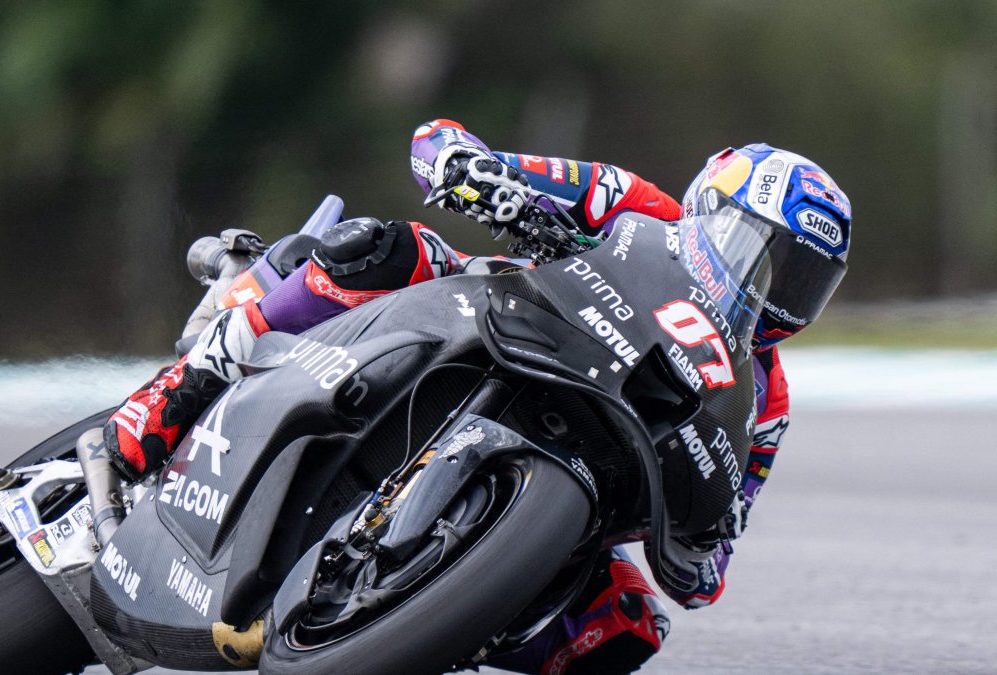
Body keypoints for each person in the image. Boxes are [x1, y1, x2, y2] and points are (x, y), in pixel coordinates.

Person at [103, 119, 852, 673]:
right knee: (387, 246)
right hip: (487, 324)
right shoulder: (635, 206)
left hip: (586, 473)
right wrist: (476, 172)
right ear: (707, 209)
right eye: (761, 254)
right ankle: (190, 379)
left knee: (627, 629)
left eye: (798, 279)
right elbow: (443, 144)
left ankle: (423, 622)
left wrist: (697, 542)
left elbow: (712, 557)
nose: (771, 290)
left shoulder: (767, 401)